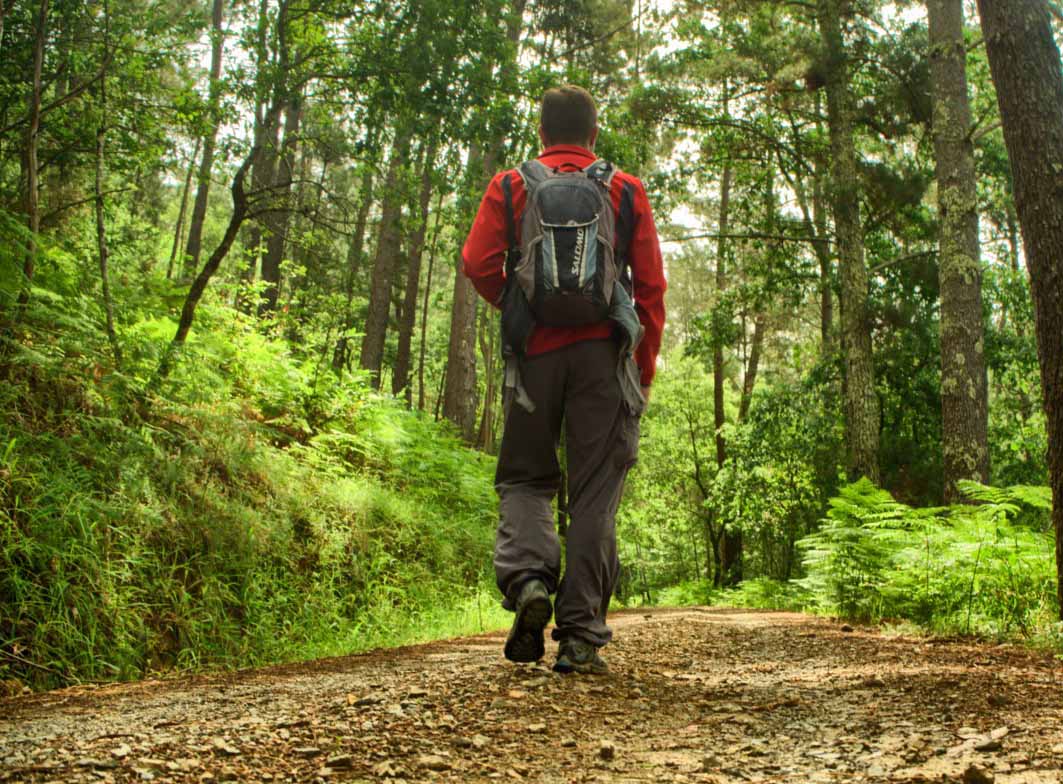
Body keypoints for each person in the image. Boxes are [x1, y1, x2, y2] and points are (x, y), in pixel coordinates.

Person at [462, 85, 666, 674]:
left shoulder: (511, 184)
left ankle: (528, 582)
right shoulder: (624, 189)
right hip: (603, 361)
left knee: (526, 478)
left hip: (533, 360)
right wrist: (642, 372)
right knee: (596, 493)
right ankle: (579, 639)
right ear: (594, 133)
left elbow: (477, 261)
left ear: (543, 132)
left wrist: (519, 305)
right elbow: (650, 290)